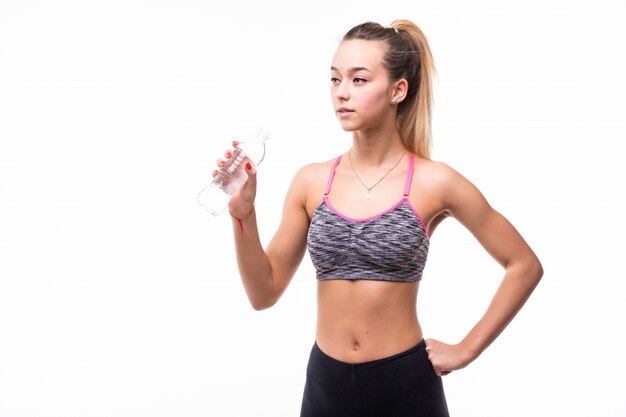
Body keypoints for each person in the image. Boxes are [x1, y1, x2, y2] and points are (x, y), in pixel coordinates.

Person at [213, 19, 543, 417]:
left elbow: (524, 265)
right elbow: (263, 293)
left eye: (359, 80)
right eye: (335, 80)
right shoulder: (312, 181)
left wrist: (467, 349)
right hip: (326, 387)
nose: (342, 94)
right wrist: (243, 214)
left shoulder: (434, 181)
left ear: (397, 90)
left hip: (405, 385)